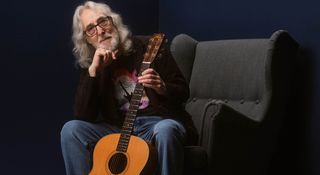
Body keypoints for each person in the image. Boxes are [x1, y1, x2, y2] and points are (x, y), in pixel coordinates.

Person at [60, 1, 198, 175]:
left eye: (103, 21)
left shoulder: (150, 47)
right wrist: (93, 72)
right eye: (91, 29)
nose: (100, 31)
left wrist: (163, 87)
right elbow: (83, 115)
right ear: (87, 40)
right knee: (71, 130)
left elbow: (183, 91)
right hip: (119, 129)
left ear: (114, 22)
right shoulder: (94, 64)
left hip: (156, 124)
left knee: (166, 130)